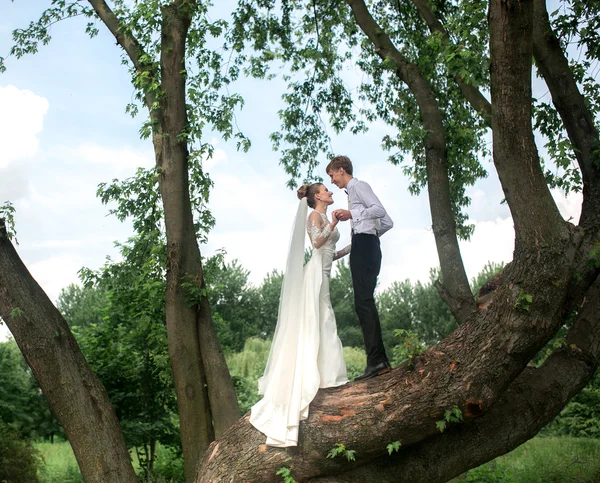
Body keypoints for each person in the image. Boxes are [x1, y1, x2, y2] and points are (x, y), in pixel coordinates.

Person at [249, 183, 350, 447]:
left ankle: (328, 375)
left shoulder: (324, 218)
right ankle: (326, 377)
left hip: (324, 271)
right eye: (326, 190)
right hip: (315, 275)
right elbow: (317, 243)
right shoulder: (314, 216)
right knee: (323, 319)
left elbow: (327, 252)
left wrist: (349, 249)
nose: (330, 192)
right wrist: (335, 223)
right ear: (318, 196)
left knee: (324, 319)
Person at [328, 155, 394, 381]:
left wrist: (352, 215)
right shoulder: (354, 191)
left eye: (332, 175)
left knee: (363, 302)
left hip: (366, 248)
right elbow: (386, 224)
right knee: (363, 302)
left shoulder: (358, 186)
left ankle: (377, 361)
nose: (332, 181)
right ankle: (378, 360)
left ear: (341, 170)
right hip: (366, 247)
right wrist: (355, 244)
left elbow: (379, 210)